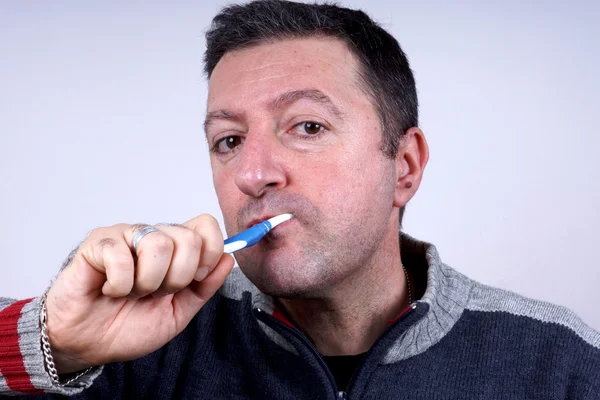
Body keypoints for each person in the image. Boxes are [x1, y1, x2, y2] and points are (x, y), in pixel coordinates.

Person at [1, 0, 599, 398]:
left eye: (307, 127)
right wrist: (49, 340)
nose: (252, 174)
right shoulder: (139, 343)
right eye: (228, 140)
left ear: (405, 167)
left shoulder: (560, 364)